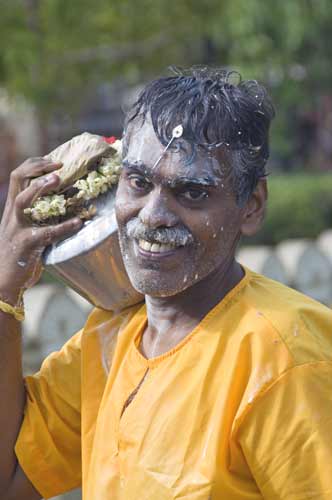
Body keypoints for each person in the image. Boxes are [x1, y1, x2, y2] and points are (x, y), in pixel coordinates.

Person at [0, 67, 331, 500]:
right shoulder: (111, 335)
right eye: (138, 182)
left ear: (251, 206)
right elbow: (11, 481)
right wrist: (6, 288)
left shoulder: (284, 358)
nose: (152, 214)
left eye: (192, 192)